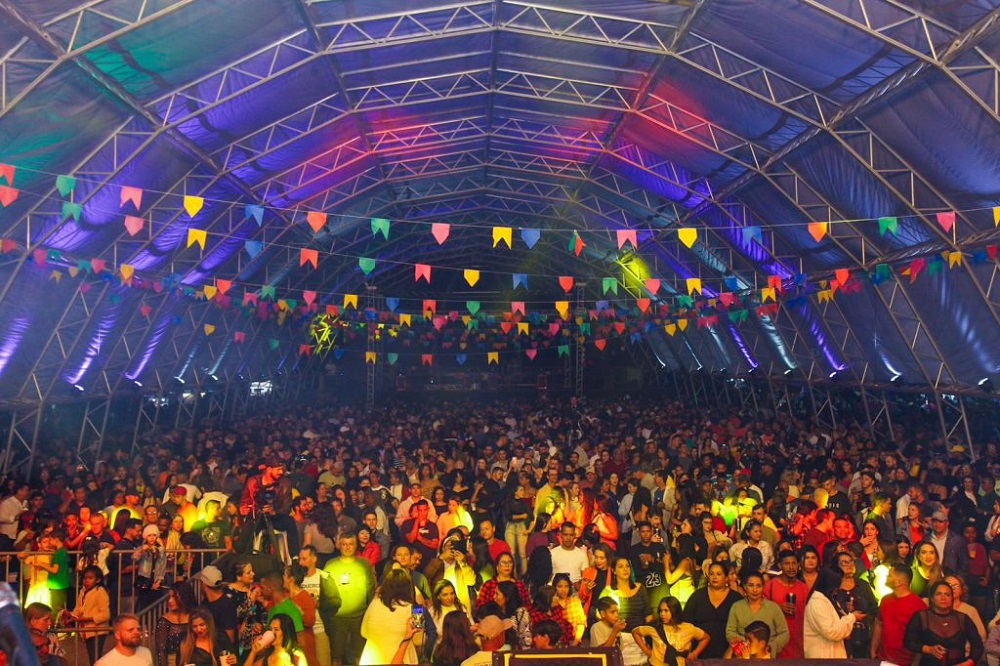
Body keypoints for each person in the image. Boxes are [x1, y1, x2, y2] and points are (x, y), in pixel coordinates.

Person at [324, 531, 376, 666]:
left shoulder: (364, 564)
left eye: (351, 544)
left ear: (356, 545)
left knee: (360, 655)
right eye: (344, 544)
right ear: (339, 545)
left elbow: (371, 589)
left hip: (360, 616)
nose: (347, 547)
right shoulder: (330, 565)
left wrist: (371, 613)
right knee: (336, 655)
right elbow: (324, 591)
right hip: (337, 618)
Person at [904, 580, 984, 666]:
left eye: (947, 594)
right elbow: (909, 642)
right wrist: (928, 649)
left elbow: (978, 645)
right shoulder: (921, 616)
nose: (943, 598)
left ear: (952, 598)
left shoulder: (963, 618)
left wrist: (970, 662)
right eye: (939, 594)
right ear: (932, 598)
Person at [359, 568, 424, 665]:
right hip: (403, 659)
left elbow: (363, 632)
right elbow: (419, 641)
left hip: (372, 659)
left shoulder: (375, 603)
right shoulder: (417, 610)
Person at [802, 567, 865, 658]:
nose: (838, 589)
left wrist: (847, 628)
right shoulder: (817, 603)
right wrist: (852, 618)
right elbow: (832, 632)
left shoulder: (829, 599)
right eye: (836, 586)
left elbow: (837, 625)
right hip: (822, 657)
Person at [684, 561, 743, 659]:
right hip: (699, 652)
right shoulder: (697, 597)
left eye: (719, 574)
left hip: (728, 653)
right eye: (711, 574)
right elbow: (686, 625)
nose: (714, 577)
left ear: (726, 578)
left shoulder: (735, 598)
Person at [725, 571, 789, 657]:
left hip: (767, 657)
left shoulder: (773, 608)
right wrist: (746, 643)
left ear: (763, 587)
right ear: (745, 587)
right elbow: (730, 631)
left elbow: (784, 633)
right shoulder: (737, 607)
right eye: (751, 585)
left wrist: (770, 647)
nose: (755, 590)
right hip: (742, 657)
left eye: (758, 586)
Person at [872, 564, 926, 665]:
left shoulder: (918, 605)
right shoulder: (885, 600)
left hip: (905, 661)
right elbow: (879, 624)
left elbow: (922, 637)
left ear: (898, 582)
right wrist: (873, 651)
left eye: (890, 575)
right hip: (882, 659)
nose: (886, 577)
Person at [633, 597, 708, 664]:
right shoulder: (655, 627)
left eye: (666, 611)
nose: (662, 614)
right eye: (661, 611)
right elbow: (635, 632)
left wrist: (694, 653)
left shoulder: (688, 628)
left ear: (674, 610)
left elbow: (706, 638)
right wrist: (647, 651)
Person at [69, 565, 112, 665]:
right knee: (93, 658)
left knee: (95, 658)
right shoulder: (83, 591)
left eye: (90, 578)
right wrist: (71, 616)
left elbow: (106, 614)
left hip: (98, 631)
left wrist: (87, 619)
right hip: (87, 631)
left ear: (98, 580)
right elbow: (78, 608)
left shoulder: (100, 591)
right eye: (85, 578)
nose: (86, 581)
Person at [154, 582, 196, 666]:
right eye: (169, 597)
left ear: (184, 597)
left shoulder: (195, 616)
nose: (170, 601)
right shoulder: (164, 621)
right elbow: (161, 652)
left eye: (174, 597)